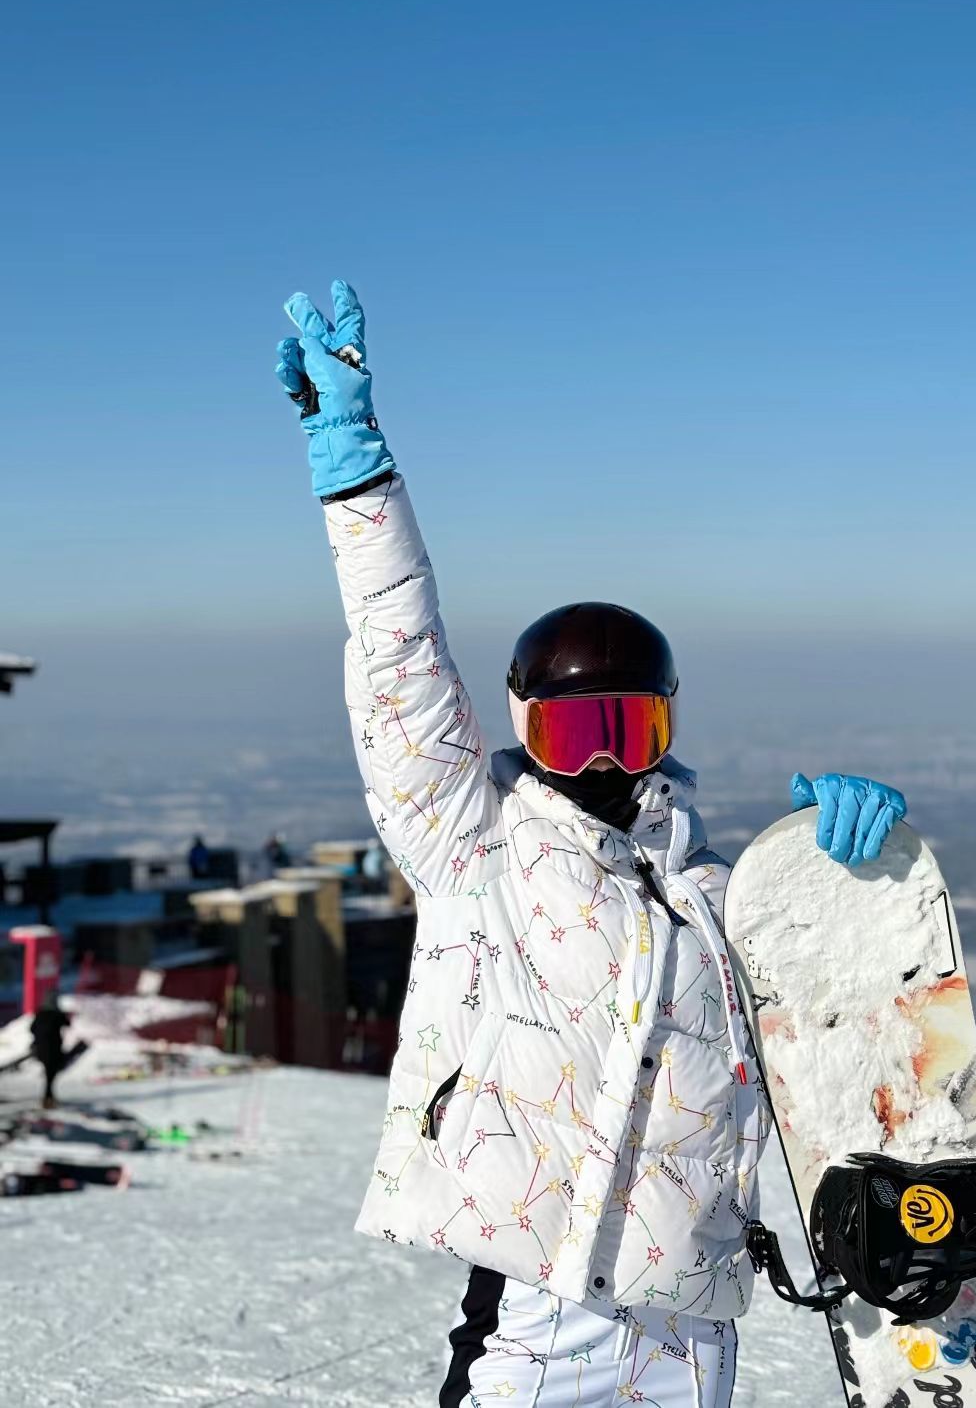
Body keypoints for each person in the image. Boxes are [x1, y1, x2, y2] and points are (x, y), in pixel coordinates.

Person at [275, 282, 910, 1408]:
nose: (607, 763)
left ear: (667, 727)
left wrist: (835, 872)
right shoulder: (472, 844)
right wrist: (354, 466)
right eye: (576, 731)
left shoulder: (721, 898)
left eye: (632, 729)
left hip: (689, 1337)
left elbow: (825, 1033)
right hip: (536, 1322)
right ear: (525, 728)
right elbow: (400, 665)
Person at [30, 991, 71, 1109]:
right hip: (53, 1049)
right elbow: (68, 1024)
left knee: (49, 1074)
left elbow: (32, 1029)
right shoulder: (57, 1014)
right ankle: (48, 1099)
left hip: (41, 1049)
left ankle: (49, 1097)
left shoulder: (40, 1013)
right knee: (51, 1074)